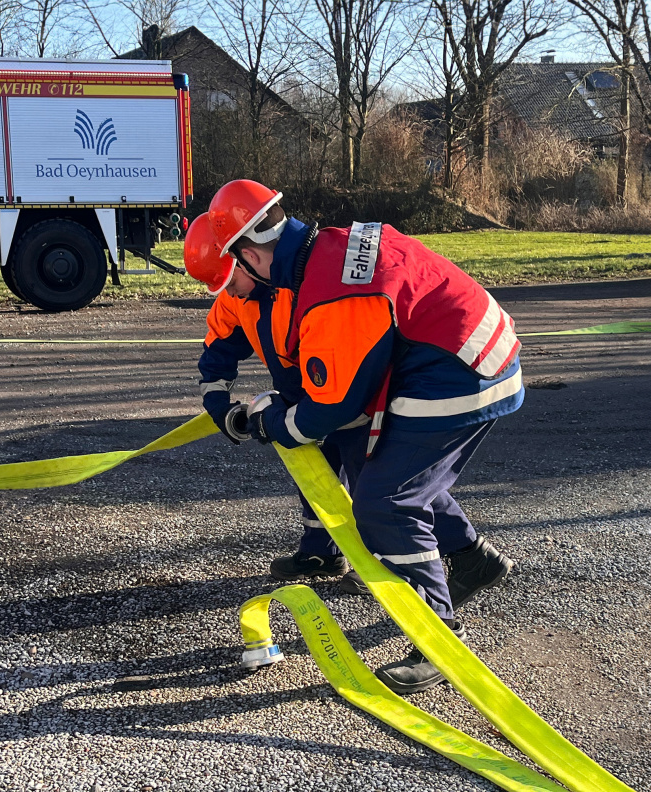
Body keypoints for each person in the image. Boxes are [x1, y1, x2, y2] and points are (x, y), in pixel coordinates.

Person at [206, 180, 522, 695]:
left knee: (384, 502)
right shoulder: (325, 248)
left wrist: (271, 425)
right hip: (474, 354)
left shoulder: (328, 290)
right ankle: (470, 559)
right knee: (401, 469)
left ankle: (440, 641)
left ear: (246, 253)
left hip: (461, 375)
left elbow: (332, 406)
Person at [183, 213, 370, 587]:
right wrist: (221, 410)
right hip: (304, 400)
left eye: (229, 281)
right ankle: (323, 552)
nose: (229, 293)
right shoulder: (236, 297)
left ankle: (386, 562)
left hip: (351, 399)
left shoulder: (299, 280)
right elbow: (217, 356)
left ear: (246, 257)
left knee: (372, 481)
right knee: (315, 475)